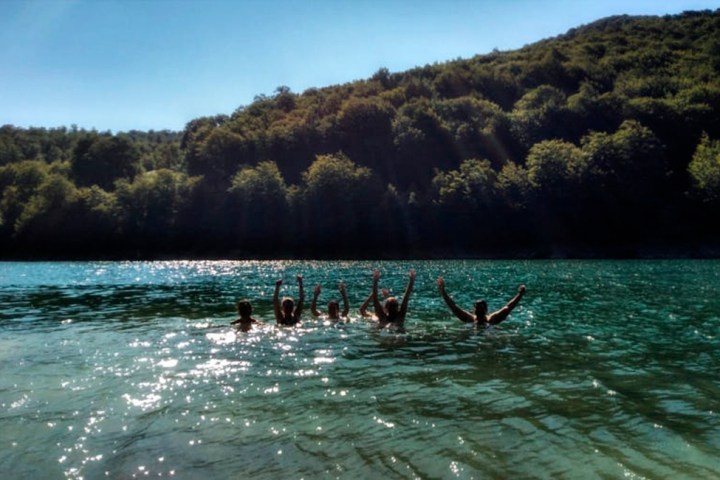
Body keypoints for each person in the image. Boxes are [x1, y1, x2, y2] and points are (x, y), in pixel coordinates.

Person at [437, 276, 526, 327]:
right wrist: (443, 292)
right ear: (474, 309)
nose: (479, 309)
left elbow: (508, 307)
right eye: (478, 307)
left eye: (481, 308)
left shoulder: (492, 319)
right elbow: (454, 307)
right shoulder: (470, 319)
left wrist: (520, 295)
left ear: (486, 310)